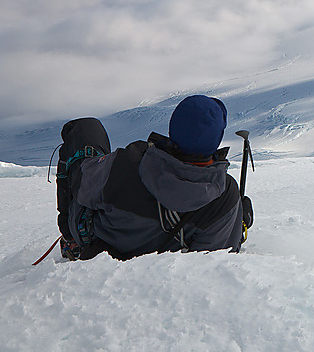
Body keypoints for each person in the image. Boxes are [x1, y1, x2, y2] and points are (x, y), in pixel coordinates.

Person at [55, 95, 251, 261]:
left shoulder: (129, 160)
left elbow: (81, 185)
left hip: (102, 251)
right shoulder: (224, 194)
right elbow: (216, 260)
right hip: (161, 272)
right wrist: (240, 216)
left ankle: (71, 240)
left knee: (86, 128)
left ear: (173, 128)